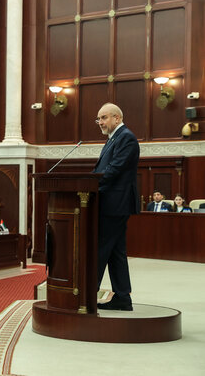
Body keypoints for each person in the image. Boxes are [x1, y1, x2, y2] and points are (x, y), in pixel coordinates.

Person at [93, 103, 139, 311]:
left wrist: (92, 185)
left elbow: (115, 169)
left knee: (101, 249)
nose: (100, 122)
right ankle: (122, 297)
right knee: (115, 251)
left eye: (103, 118)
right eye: (99, 119)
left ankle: (85, 294)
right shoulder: (114, 138)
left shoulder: (126, 137)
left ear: (117, 118)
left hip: (115, 204)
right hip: (111, 203)